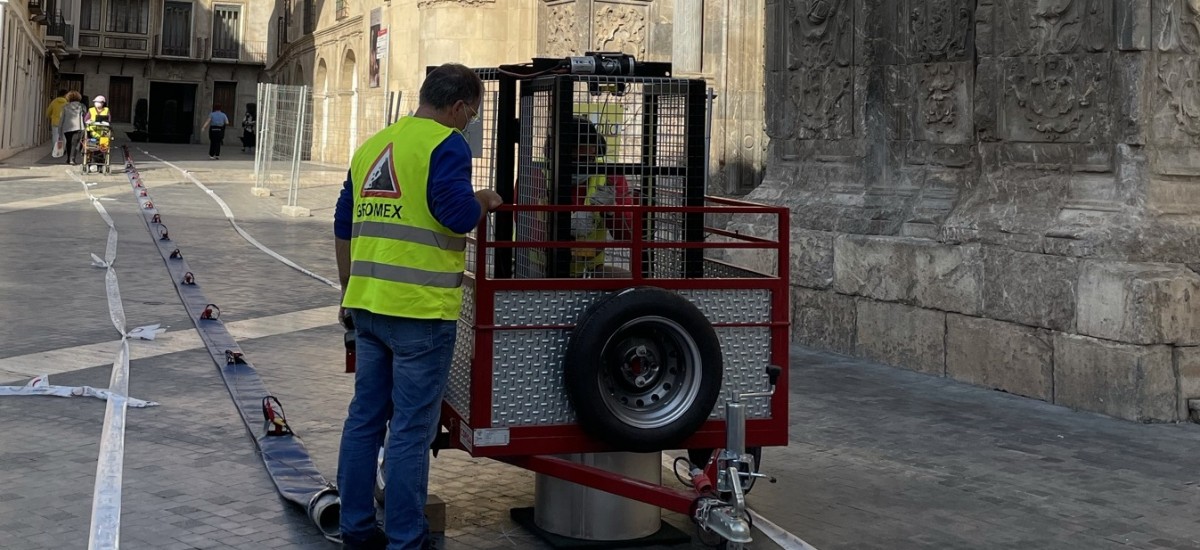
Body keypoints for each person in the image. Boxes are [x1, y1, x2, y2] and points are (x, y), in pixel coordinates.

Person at [333, 62, 502, 550]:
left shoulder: (373, 147)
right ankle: (406, 538)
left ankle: (356, 528)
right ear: (458, 107)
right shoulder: (445, 144)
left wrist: (348, 291)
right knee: (409, 430)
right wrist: (484, 200)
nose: (467, 121)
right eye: (469, 114)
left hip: (367, 307)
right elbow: (454, 215)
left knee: (365, 419)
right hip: (420, 312)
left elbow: (343, 223)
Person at [542, 116, 635, 278]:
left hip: (590, 270)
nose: (583, 166)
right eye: (574, 160)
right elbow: (525, 227)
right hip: (540, 269)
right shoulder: (537, 176)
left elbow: (627, 234)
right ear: (555, 155)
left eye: (589, 159)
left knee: (633, 288)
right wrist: (566, 228)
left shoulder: (610, 176)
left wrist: (612, 212)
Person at [60, 91, 85, 166]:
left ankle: (68, 158)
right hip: (78, 127)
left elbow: (62, 118)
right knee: (74, 144)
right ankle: (72, 159)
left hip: (67, 127)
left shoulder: (65, 107)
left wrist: (60, 128)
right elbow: (84, 116)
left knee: (68, 142)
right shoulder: (81, 106)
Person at [45, 90, 68, 156]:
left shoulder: (54, 102)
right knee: (64, 137)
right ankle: (62, 150)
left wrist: (50, 117)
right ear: (65, 95)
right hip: (64, 123)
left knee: (55, 136)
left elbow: (48, 112)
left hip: (55, 122)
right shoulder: (67, 103)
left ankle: (55, 150)